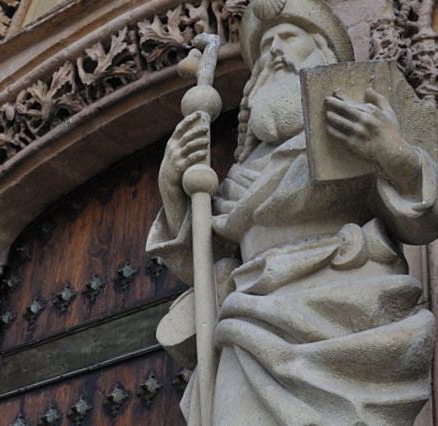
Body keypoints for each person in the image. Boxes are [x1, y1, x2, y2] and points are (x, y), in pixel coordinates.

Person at [147, 0, 438, 424]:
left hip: (345, 308)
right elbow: (205, 263)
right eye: (264, 46)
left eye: (288, 37)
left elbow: (423, 219)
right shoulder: (242, 171)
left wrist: (394, 155)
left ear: (320, 50)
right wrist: (173, 186)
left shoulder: (359, 127)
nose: (274, 52)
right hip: (251, 320)